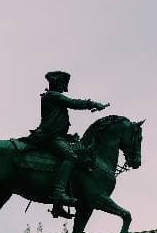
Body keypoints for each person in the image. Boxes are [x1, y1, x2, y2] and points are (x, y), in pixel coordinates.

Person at [26, 71, 108, 217]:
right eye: (63, 84)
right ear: (57, 83)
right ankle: (59, 193)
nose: (64, 87)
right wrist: (93, 104)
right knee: (70, 157)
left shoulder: (52, 96)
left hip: (59, 136)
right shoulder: (52, 95)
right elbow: (74, 103)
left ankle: (57, 207)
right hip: (50, 137)